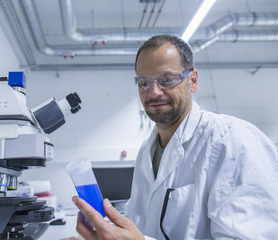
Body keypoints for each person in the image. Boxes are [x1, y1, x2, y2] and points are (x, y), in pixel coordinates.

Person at [63, 34, 278, 240]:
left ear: (192, 81)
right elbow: (142, 225)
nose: (153, 92)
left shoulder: (232, 141)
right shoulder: (147, 152)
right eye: (143, 83)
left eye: (167, 80)